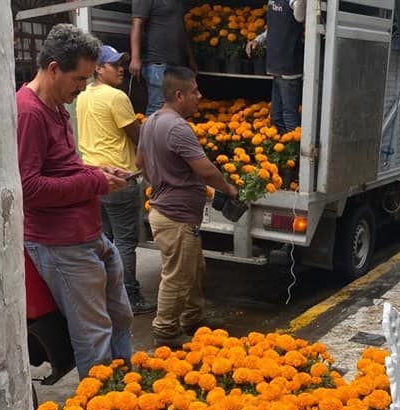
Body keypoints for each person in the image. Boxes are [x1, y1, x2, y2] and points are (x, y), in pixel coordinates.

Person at [17, 24, 133, 379]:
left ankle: (128, 396)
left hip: (88, 234)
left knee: (121, 318)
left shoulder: (56, 107)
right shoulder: (29, 112)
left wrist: (98, 169)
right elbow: (29, 187)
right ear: (53, 69)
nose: (83, 88)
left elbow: (64, 168)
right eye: (79, 79)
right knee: (94, 337)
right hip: (61, 244)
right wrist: (95, 181)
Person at [136, 67, 239, 348]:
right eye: (194, 91)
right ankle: (166, 333)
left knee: (194, 269)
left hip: (168, 212)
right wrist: (228, 189)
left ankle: (192, 320)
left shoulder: (150, 122)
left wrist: (163, 175)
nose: (200, 96)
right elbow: (205, 170)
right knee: (177, 277)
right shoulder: (178, 128)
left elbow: (140, 164)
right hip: (175, 216)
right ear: (179, 95)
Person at [77, 45, 156, 316]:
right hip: (120, 177)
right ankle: (129, 295)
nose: (120, 68)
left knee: (105, 238)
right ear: (98, 69)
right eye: (114, 64)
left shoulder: (83, 95)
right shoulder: (116, 97)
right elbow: (137, 135)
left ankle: (106, 293)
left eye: (121, 63)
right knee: (124, 241)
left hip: (92, 176)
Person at [245, 0, 305, 133]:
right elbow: (274, 27)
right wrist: (258, 40)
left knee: (289, 115)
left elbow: (300, 17)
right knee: (276, 116)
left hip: (289, 65)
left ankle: (294, 149)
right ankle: (286, 147)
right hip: (275, 64)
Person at [130, 0, 196, 116]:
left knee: (175, 107)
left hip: (176, 62)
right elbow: (137, 24)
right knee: (157, 107)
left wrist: (191, 58)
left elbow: (182, 30)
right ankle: (150, 134)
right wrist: (135, 58)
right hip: (157, 62)